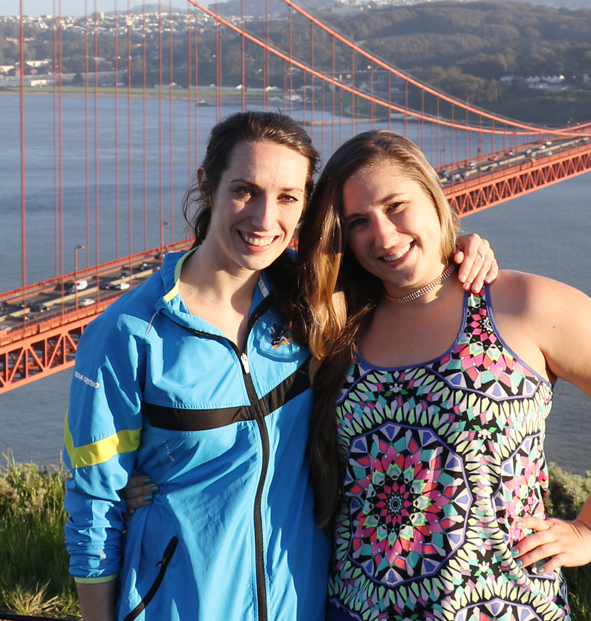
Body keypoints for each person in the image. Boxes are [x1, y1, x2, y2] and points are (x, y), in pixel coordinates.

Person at [63, 111, 501, 621]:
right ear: (206, 185)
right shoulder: (129, 332)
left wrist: (460, 251)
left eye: (288, 198)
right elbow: (94, 508)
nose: (265, 219)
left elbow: (403, 267)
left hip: (307, 603)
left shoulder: (316, 297)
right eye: (246, 190)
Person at [296, 129, 591, 621]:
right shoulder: (338, 322)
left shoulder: (522, 304)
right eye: (358, 222)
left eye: (396, 206)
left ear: (434, 197)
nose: (384, 235)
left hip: (502, 606)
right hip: (359, 606)